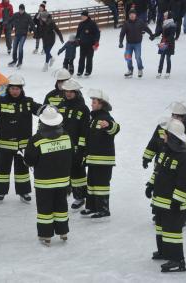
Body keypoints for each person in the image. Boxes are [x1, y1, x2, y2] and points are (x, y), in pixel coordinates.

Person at [0, 75, 41, 203]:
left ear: (21, 89)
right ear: (8, 89)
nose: (15, 91)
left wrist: (49, 111)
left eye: (17, 89)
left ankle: (23, 191)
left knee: (22, 170)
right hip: (4, 144)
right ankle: (1, 191)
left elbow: (39, 108)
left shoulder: (28, 102)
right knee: (2, 169)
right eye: (12, 88)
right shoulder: (1, 101)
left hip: (22, 145)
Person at [143, 102, 186, 224]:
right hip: (163, 163)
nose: (175, 118)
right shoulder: (163, 127)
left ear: (185, 117)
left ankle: (183, 216)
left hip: (182, 169)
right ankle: (158, 213)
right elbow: (153, 143)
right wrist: (147, 157)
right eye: (173, 115)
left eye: (178, 116)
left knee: (182, 191)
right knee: (161, 188)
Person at [150, 118, 186, 273]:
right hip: (161, 201)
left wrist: (177, 200)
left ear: (174, 138)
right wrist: (150, 184)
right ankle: (164, 252)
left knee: (172, 232)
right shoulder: (165, 152)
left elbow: (185, 182)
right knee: (161, 228)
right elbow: (157, 171)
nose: (164, 137)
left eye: (167, 134)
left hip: (172, 203)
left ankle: (177, 261)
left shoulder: (184, 158)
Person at [24, 106, 72, 246]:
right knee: (61, 206)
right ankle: (63, 232)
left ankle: (46, 236)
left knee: (45, 209)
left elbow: (29, 160)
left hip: (44, 183)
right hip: (63, 181)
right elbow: (71, 156)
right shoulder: (66, 136)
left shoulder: (36, 140)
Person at [82, 89, 120, 219]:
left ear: (101, 104)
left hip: (103, 160)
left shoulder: (105, 118)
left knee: (101, 185)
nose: (91, 104)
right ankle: (91, 207)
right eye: (92, 101)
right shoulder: (94, 119)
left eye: (94, 102)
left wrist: (108, 125)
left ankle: (103, 209)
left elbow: (115, 128)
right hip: (93, 159)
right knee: (92, 183)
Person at [58, 79, 90, 210]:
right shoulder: (61, 105)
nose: (69, 94)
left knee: (78, 172)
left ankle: (80, 197)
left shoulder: (83, 108)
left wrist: (81, 148)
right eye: (66, 91)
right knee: (62, 170)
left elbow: (85, 130)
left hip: (76, 146)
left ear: (76, 92)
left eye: (71, 91)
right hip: (61, 145)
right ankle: (65, 191)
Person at [119, 9, 155, 78]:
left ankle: (140, 69)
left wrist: (151, 34)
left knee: (138, 57)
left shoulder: (140, 22)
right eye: (130, 14)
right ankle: (130, 70)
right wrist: (120, 42)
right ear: (129, 16)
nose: (132, 15)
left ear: (135, 15)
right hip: (129, 44)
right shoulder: (126, 23)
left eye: (133, 14)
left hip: (137, 43)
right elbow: (122, 34)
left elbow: (146, 28)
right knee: (128, 57)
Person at [8, 4, 36, 69]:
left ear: (24, 9)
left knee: (20, 47)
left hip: (23, 35)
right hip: (17, 34)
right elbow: (10, 20)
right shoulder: (16, 15)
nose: (21, 11)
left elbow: (32, 24)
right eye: (20, 9)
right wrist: (6, 23)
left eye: (22, 10)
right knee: (14, 47)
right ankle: (14, 60)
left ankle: (20, 62)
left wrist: (35, 32)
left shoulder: (27, 16)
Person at [75, 11, 100, 77]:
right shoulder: (80, 24)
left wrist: (96, 43)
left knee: (89, 58)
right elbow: (78, 33)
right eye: (81, 16)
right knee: (81, 58)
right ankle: (80, 71)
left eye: (83, 16)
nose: (82, 17)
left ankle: (88, 71)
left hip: (90, 44)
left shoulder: (92, 23)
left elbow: (97, 33)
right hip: (82, 44)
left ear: (87, 16)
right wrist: (77, 39)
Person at [155, 12, 177, 78]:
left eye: (165, 16)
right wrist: (154, 35)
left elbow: (171, 35)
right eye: (164, 16)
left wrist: (166, 41)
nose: (164, 17)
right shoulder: (164, 23)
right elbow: (160, 31)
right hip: (163, 42)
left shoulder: (172, 24)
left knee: (168, 58)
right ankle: (159, 72)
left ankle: (168, 72)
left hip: (169, 43)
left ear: (168, 16)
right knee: (162, 57)